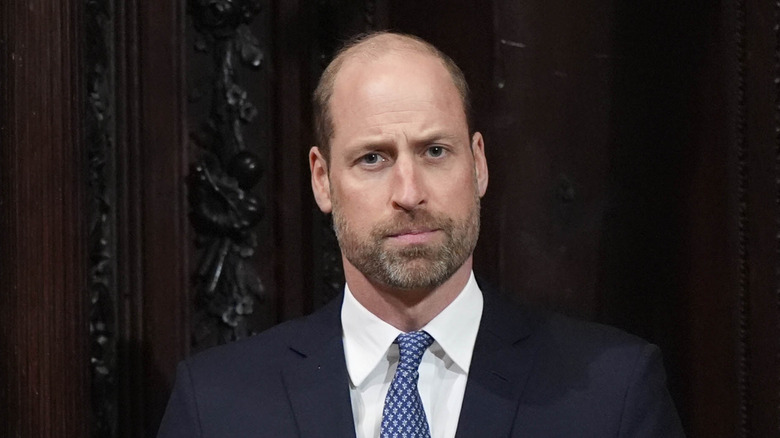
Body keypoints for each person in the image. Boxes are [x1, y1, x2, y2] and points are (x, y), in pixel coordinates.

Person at [158, 31, 685, 438]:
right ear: (322, 179)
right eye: (373, 158)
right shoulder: (216, 405)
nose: (409, 193)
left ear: (478, 164)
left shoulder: (613, 392)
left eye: (435, 151)